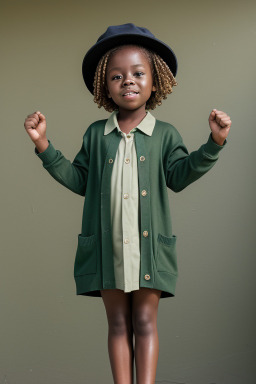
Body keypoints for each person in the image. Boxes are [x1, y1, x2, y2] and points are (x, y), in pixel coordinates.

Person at [24, 23, 231, 384]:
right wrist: (44, 144)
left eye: (138, 73)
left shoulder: (165, 134)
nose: (128, 82)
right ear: (105, 85)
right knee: (118, 324)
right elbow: (79, 181)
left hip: (149, 250)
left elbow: (179, 177)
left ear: (156, 81)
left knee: (146, 323)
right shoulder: (96, 134)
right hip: (108, 249)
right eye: (117, 76)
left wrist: (213, 143)